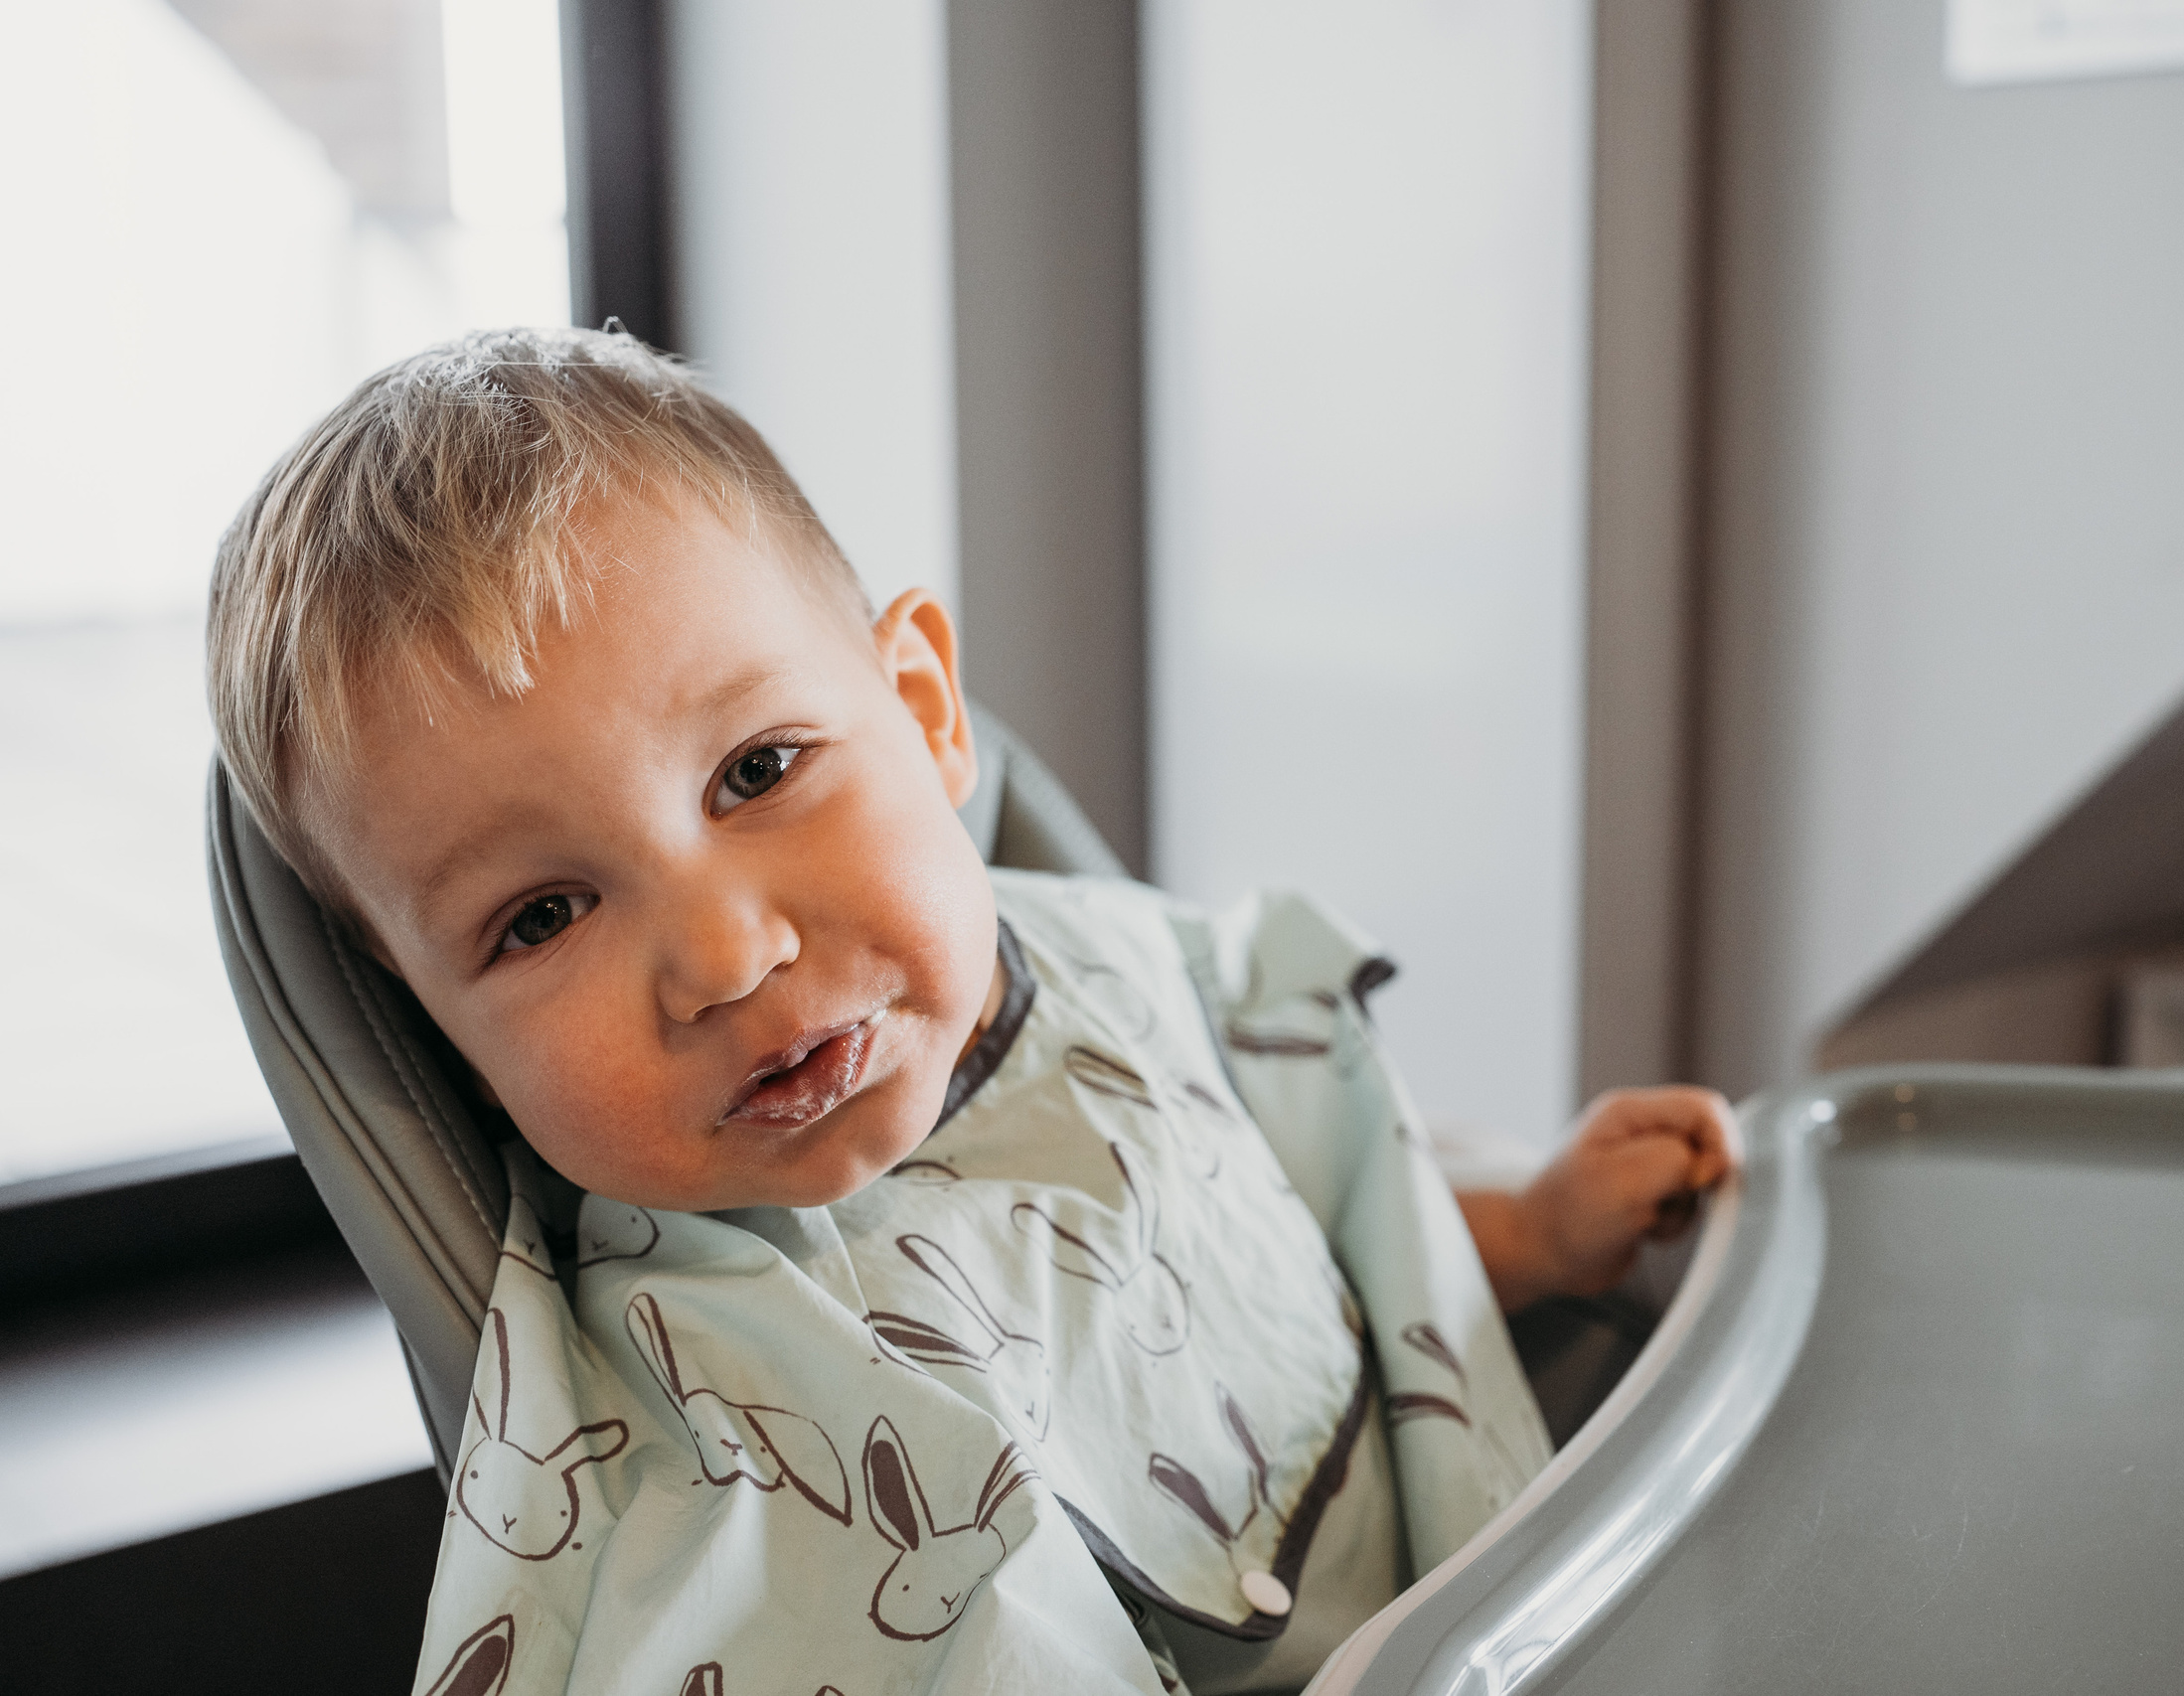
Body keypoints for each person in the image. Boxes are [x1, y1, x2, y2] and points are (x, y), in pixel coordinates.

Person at [208, 327, 1737, 1696]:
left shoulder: (1144, 981)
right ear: (436, 1025)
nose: (728, 957)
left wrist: (1528, 1235)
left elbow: (1292, 1244)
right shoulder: (696, 1407)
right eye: (541, 917)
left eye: (758, 771)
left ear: (928, 713)